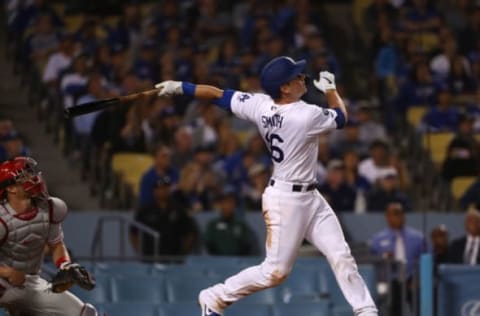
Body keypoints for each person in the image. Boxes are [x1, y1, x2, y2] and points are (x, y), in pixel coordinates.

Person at [155, 56, 378, 316]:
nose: (302, 77)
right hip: (286, 200)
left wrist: (182, 86)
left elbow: (217, 95)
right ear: (284, 87)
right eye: (296, 76)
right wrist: (330, 89)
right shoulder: (304, 115)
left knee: (341, 255)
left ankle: (366, 310)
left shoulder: (259, 104)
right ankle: (214, 296)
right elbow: (341, 117)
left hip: (310, 196)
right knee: (274, 272)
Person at [0, 157, 97, 315]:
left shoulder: (51, 208)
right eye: (24, 176)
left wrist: (65, 266)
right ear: (11, 189)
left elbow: (56, 244)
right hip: (3, 281)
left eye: (32, 172)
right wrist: (7, 273)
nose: (33, 177)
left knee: (86, 313)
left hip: (30, 282)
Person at [370, 202, 428, 316]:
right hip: (387, 282)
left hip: (411, 281)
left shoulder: (418, 238)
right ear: (387, 216)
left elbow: (427, 259)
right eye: (394, 214)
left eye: (400, 213)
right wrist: (384, 257)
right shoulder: (377, 240)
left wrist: (420, 278)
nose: (398, 217)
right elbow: (371, 261)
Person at [131, 175, 198, 259]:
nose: (163, 191)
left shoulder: (178, 209)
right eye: (160, 188)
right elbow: (133, 232)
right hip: (151, 257)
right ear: (155, 190)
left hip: (174, 258)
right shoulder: (145, 210)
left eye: (166, 188)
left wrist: (183, 253)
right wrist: (140, 252)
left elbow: (190, 232)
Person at [205, 187, 258, 256]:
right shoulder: (213, 225)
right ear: (221, 205)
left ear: (234, 205)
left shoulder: (241, 225)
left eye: (230, 202)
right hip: (217, 262)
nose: (228, 205)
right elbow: (209, 243)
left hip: (238, 262)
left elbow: (247, 244)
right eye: (225, 202)